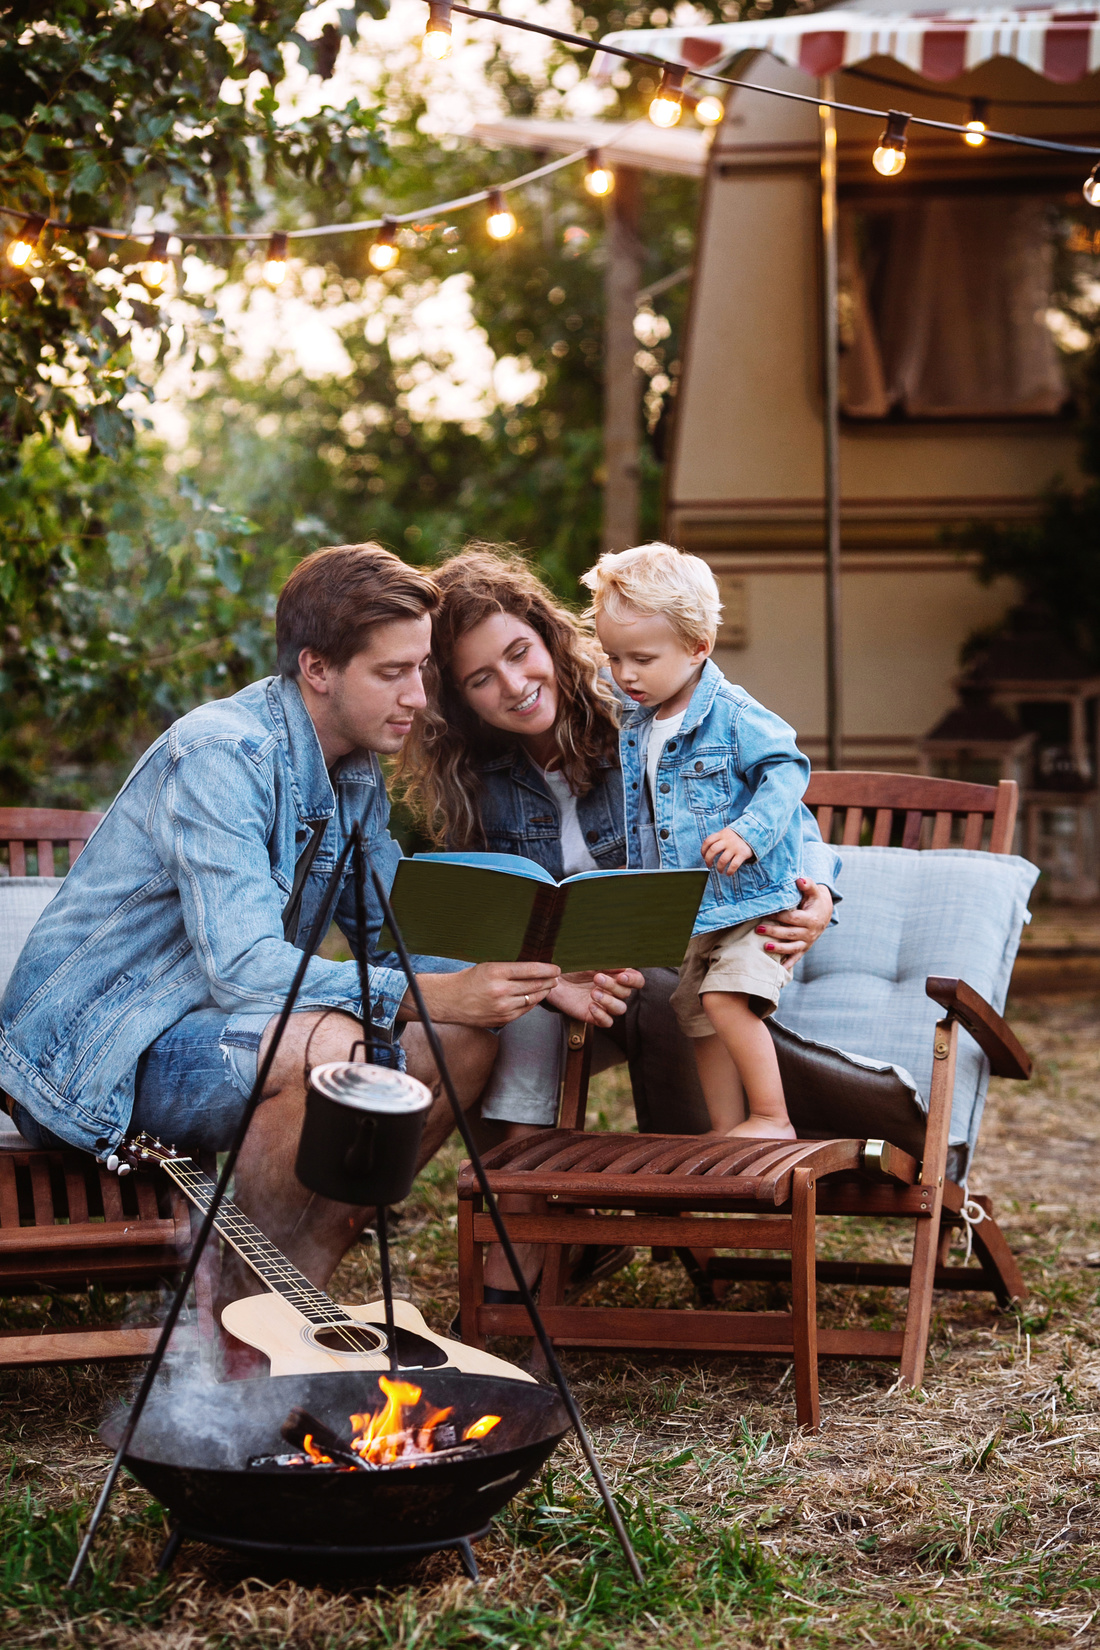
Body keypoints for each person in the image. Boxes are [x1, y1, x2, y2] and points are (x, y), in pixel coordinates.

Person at [0, 544, 639, 1304]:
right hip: (97, 1059)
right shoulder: (219, 757)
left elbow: (392, 933)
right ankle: (230, 1328)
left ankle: (295, 1297)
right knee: (331, 1049)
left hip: (217, 1037)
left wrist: (538, 975)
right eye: (391, 673)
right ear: (318, 668)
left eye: (423, 670)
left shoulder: (353, 774)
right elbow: (243, 970)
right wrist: (435, 995)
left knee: (463, 1045)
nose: (420, 698)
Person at [396, 546, 840, 1285]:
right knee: (509, 1014)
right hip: (564, 977)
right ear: (457, 696)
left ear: (547, 636)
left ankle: (676, 1206)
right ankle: (534, 1237)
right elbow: (486, 910)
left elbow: (781, 806)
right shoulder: (472, 773)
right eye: (480, 678)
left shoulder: (642, 694)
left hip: (668, 957)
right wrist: (552, 976)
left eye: (519, 653)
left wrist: (819, 890)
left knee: (671, 995)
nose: (513, 685)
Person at [584, 541, 810, 1140]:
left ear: (697, 648)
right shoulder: (638, 721)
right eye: (614, 657)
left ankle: (772, 1118)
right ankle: (727, 1127)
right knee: (696, 1015)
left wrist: (748, 832)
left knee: (726, 1003)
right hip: (697, 909)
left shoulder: (732, 713)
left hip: (753, 904)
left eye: (642, 658)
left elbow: (788, 768)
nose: (625, 673)